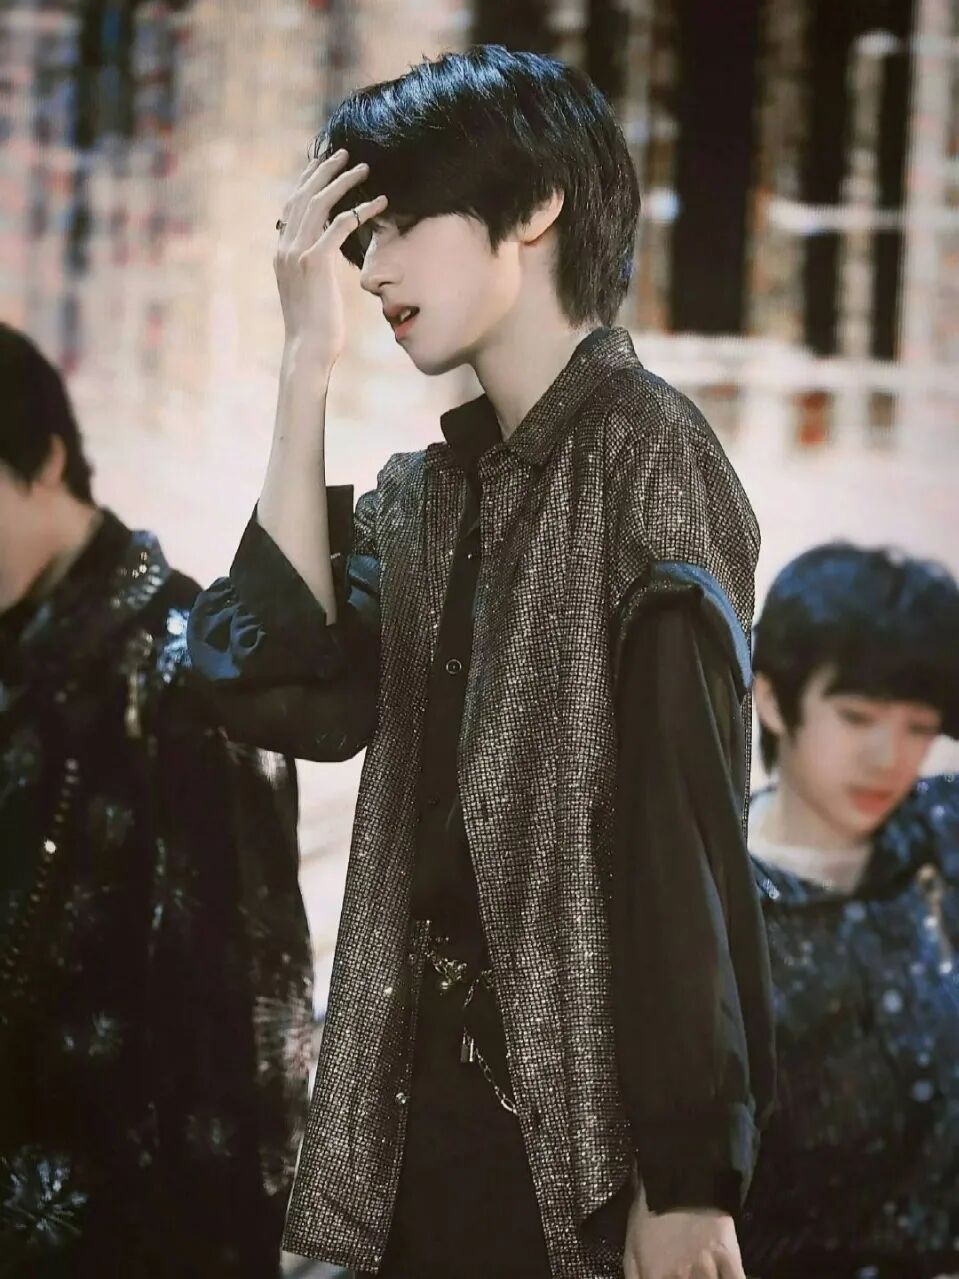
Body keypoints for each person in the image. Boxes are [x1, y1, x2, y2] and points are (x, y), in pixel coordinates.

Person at [188, 45, 775, 1279]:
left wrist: (687, 1172)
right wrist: (303, 368)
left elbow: (681, 827)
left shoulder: (648, 453)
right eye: (362, 240)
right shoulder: (428, 497)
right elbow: (276, 684)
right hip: (414, 1122)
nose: (372, 268)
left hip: (580, 1145)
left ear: (535, 206)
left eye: (400, 223)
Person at [0, 323, 313, 1278]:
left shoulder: (185, 668)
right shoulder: (19, 652)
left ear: (45, 459)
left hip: (133, 1228)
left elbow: (251, 1017)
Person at [739, 543, 959, 1279]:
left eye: (918, 725)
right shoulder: (709, 891)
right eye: (856, 716)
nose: (887, 756)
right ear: (774, 700)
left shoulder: (940, 831)